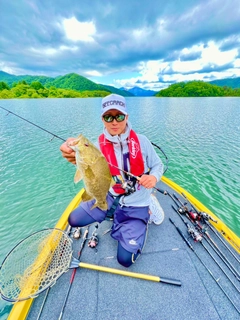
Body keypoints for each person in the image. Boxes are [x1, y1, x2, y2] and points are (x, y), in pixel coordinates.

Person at [60, 94, 163, 267]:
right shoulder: (96, 146)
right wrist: (70, 151)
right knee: (73, 220)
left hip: (137, 202)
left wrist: (153, 177)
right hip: (109, 196)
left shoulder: (143, 142)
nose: (114, 122)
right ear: (103, 119)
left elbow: (158, 165)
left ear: (126, 117)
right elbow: (81, 160)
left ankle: (146, 213)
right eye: (108, 117)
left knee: (125, 260)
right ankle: (112, 214)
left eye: (119, 116)